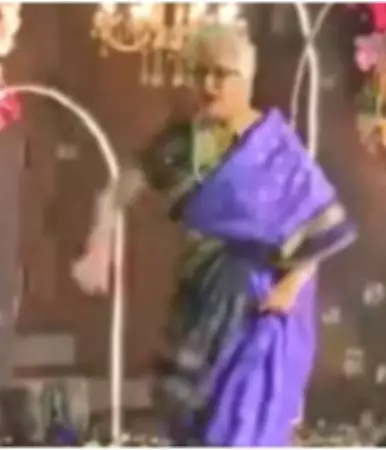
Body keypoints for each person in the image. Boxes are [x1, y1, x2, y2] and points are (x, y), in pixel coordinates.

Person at [71, 25, 357, 446]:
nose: (208, 85)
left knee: (243, 423)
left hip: (260, 308)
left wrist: (289, 288)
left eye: (220, 74)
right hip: (200, 301)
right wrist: (97, 247)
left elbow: (320, 226)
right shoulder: (178, 144)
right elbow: (114, 194)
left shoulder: (275, 146)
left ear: (246, 79)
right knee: (193, 421)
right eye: (199, 73)